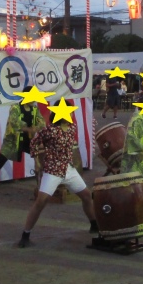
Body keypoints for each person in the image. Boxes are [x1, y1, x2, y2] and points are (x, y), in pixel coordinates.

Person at [18, 100, 97, 247]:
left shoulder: (72, 128)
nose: (71, 114)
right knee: (40, 202)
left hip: (69, 169)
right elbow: (34, 142)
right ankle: (25, 234)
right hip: (53, 171)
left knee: (86, 195)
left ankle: (94, 224)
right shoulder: (50, 130)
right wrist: (37, 160)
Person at [0, 100, 45, 198]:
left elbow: (42, 122)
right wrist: (29, 129)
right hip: (12, 142)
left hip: (28, 141)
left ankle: (43, 188)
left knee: (42, 159)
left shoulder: (35, 108)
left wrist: (37, 127)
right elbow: (14, 122)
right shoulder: (15, 108)